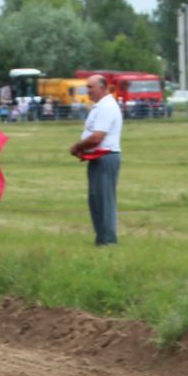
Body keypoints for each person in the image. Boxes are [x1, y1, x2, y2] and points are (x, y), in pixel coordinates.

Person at [70, 73, 123, 246]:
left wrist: (78, 146)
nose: (88, 91)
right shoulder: (100, 106)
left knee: (104, 199)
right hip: (97, 157)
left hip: (106, 157)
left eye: (91, 87)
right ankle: (101, 237)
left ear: (102, 87)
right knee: (96, 199)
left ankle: (108, 240)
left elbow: (97, 137)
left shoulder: (107, 106)